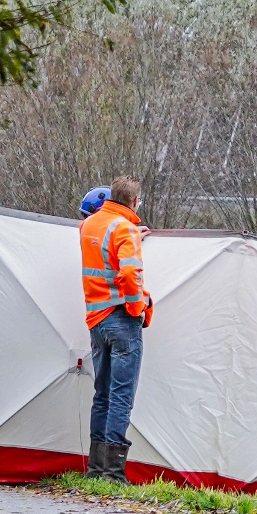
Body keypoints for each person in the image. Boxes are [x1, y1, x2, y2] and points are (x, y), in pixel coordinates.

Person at [80, 176, 153, 483]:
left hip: (96, 318)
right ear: (134, 202)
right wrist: (138, 310)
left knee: (103, 393)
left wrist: (132, 235)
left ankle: (96, 471)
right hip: (122, 319)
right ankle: (114, 474)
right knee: (122, 395)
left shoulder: (90, 225)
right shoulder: (124, 230)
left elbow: (103, 249)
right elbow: (129, 273)